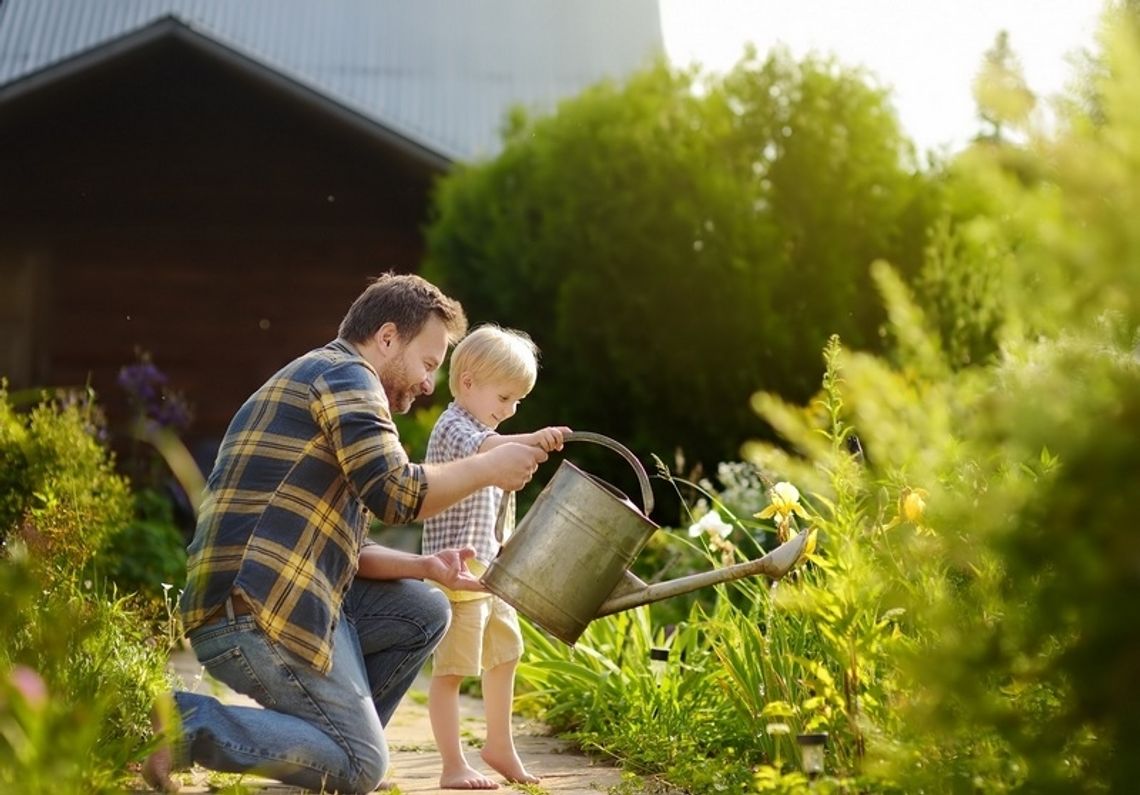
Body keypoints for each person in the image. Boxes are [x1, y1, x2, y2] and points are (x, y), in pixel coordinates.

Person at [143, 274, 550, 794]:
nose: (430, 384)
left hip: (282, 596)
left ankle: (327, 755)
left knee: (426, 609)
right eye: (427, 363)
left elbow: (350, 547)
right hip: (253, 611)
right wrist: (489, 468)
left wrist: (424, 567)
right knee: (362, 768)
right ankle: (184, 723)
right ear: (386, 338)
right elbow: (397, 494)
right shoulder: (345, 377)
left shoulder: (327, 379)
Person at [421, 324, 569, 790]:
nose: (509, 411)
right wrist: (533, 438)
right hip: (457, 572)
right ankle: (451, 764)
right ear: (467, 383)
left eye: (518, 403)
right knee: (453, 669)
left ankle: (499, 745)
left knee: (505, 653)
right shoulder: (456, 428)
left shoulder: (484, 427)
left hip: (490, 570)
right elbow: (488, 452)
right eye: (505, 398)